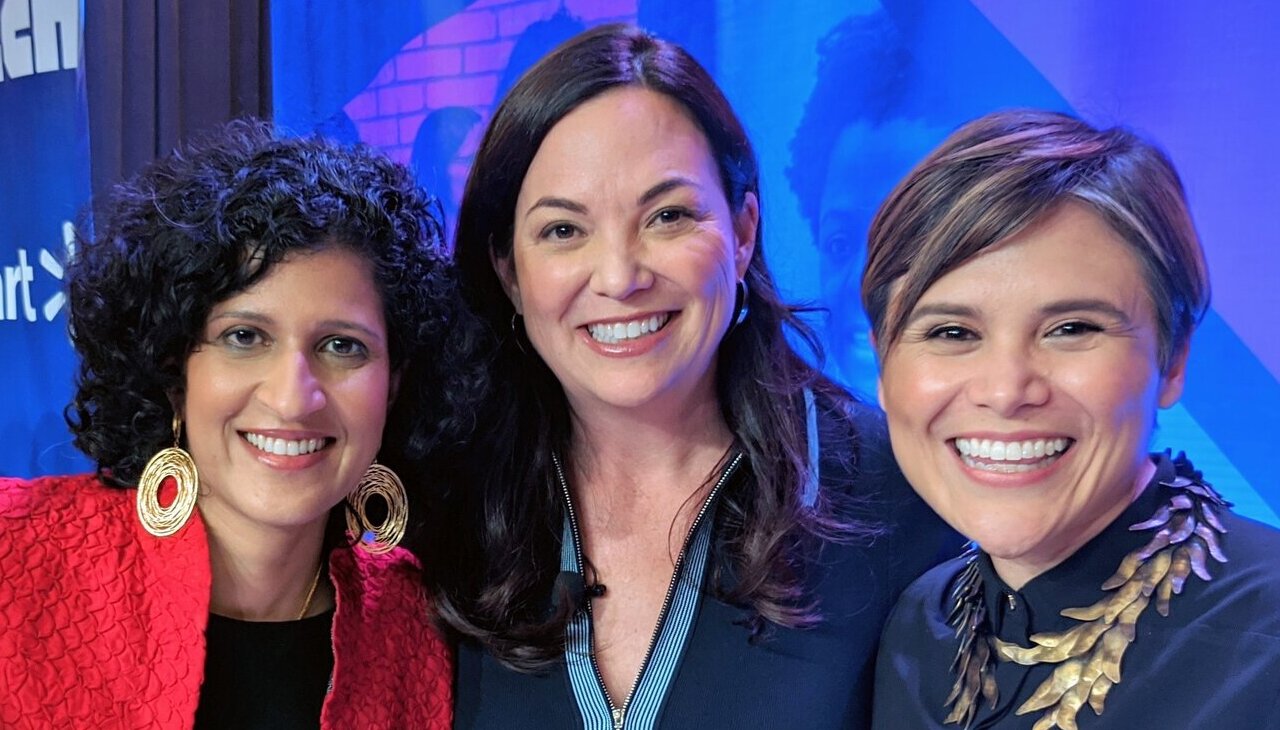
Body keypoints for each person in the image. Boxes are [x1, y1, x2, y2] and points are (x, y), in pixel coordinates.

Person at [431, 23, 960, 729]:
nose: (620, 277)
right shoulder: (449, 509)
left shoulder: (897, 489)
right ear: (508, 270)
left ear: (743, 233)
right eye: (563, 230)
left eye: (669, 216)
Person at [0, 121, 466, 728]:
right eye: (245, 337)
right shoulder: (15, 555)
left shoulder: (416, 629)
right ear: (175, 370)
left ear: (394, 382)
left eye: (343, 347)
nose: (293, 398)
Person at [865, 110, 1280, 729]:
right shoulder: (918, 626)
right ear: (883, 366)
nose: (1006, 390)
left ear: (1172, 362)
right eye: (952, 331)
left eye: (1071, 329)